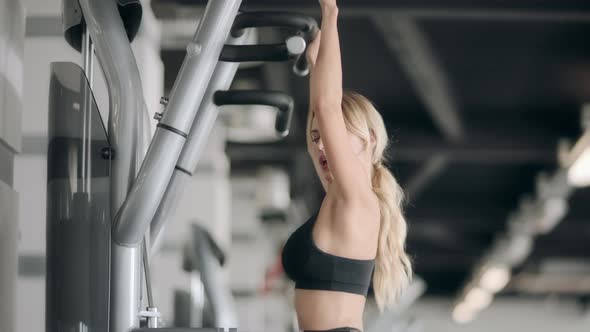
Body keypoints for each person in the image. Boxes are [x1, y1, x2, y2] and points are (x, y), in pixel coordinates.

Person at [281, 1, 413, 331]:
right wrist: (315, 64)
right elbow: (319, 113)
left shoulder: (359, 199)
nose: (322, 144)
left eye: (334, 134)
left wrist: (330, 13)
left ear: (369, 139)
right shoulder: (343, 199)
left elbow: (326, 107)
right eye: (317, 137)